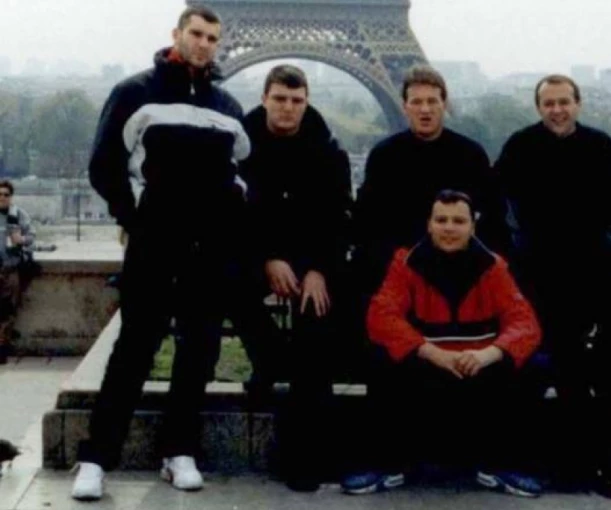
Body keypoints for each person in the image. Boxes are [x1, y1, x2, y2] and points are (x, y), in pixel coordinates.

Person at [71, 6, 251, 501]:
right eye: (197, 33)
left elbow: (241, 173)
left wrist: (226, 222)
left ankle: (179, 451)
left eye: (212, 37)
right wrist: (138, 221)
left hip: (208, 247)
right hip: (155, 243)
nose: (204, 43)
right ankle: (96, 458)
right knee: (134, 350)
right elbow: (105, 165)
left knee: (199, 351)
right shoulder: (134, 92)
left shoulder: (228, 106)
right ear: (177, 34)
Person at [493, 74, 611, 500]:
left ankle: (596, 466)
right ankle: (579, 466)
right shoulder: (522, 146)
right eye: (549, 103)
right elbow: (498, 201)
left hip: (592, 277)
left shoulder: (598, 146)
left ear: (578, 103)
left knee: (597, 378)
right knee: (568, 373)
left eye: (563, 102)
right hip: (542, 278)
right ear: (539, 107)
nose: (556, 110)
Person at [341, 190, 542, 496]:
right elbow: (381, 315)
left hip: (478, 370)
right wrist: (430, 352)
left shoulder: (494, 267)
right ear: (429, 224)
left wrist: (489, 354)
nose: (449, 228)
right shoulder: (406, 262)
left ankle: (501, 465)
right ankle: (389, 465)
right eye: (441, 220)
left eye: (458, 221)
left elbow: (525, 323)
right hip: (427, 367)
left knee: (533, 365)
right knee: (380, 357)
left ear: (473, 226)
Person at [238, 64, 352, 492]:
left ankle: (305, 459)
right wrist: (267, 257)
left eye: (297, 100)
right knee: (226, 282)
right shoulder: (236, 148)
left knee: (314, 341)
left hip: (309, 263)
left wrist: (318, 269)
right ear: (264, 98)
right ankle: (270, 356)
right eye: (280, 99)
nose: (288, 107)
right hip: (253, 257)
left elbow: (338, 218)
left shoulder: (330, 152)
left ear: (307, 102)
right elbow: (231, 215)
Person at [352, 65, 509, 301]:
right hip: (399, 273)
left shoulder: (471, 155)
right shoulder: (384, 156)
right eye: (417, 102)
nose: (425, 109)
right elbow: (368, 222)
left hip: (459, 271)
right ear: (405, 106)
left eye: (432, 101)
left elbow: (493, 218)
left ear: (444, 105)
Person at [0, 180, 35, 365]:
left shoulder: (19, 215)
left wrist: (20, 239)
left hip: (11, 268)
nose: (2, 198)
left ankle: (1, 348)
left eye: (6, 194)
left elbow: (32, 237)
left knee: (7, 311)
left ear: (11, 196)